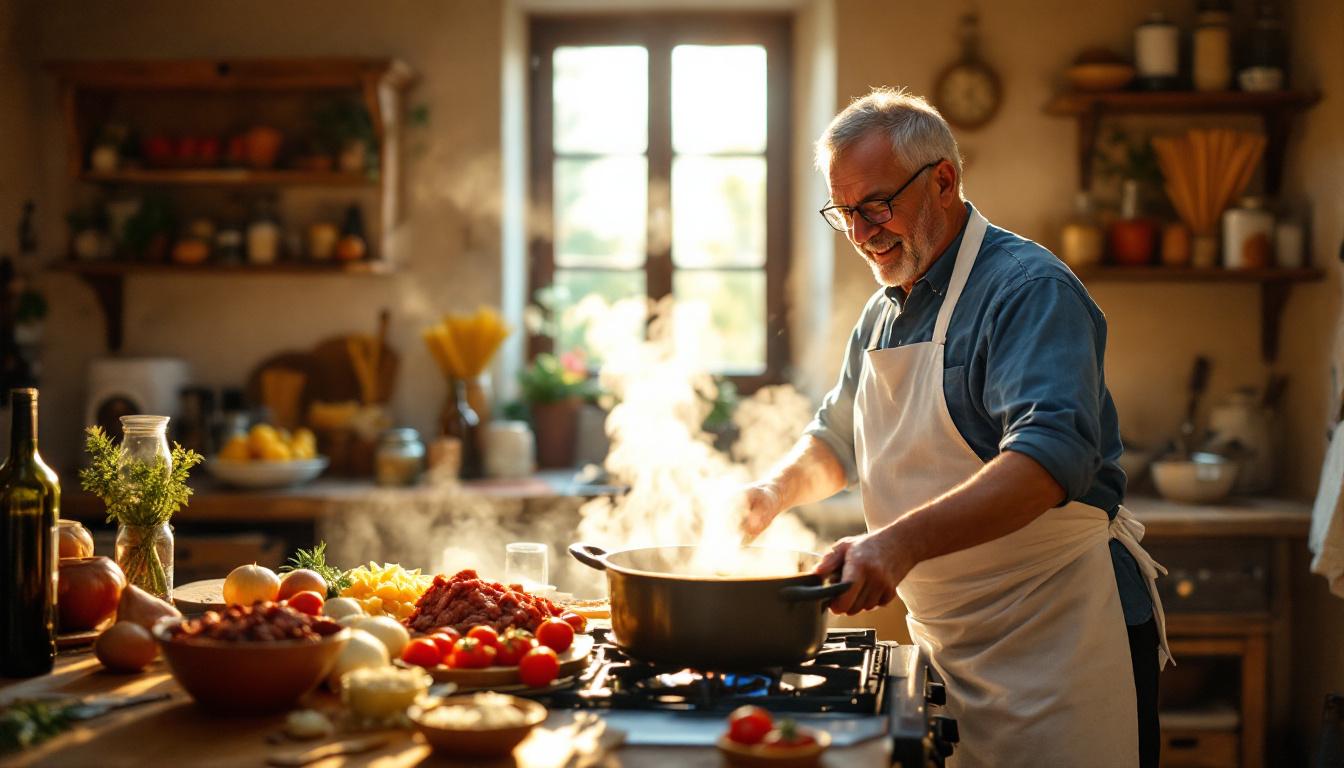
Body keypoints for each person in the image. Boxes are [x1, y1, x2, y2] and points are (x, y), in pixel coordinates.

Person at [738, 87, 1169, 767]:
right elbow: (838, 440)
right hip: (953, 646)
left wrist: (896, 544)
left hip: (1061, 641)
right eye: (844, 213)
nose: (860, 233)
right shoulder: (884, 312)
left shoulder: (1028, 290)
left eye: (876, 206)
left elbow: (1047, 461)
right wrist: (769, 492)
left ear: (943, 180)